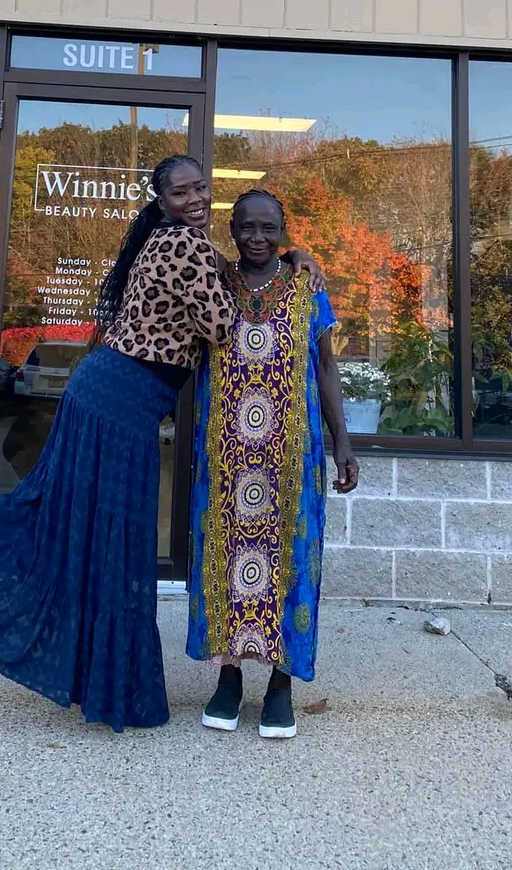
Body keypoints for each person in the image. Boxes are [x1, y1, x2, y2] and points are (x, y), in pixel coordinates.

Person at [0, 154, 316, 734]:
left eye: (201, 188)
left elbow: (223, 281)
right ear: (161, 199)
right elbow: (229, 327)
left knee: (95, 537)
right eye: (181, 193)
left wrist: (292, 255)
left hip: (107, 396)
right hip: (118, 406)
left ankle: (103, 678)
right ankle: (110, 681)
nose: (195, 199)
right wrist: (289, 265)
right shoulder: (184, 246)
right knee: (113, 542)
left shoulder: (176, 242)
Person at [186, 187, 359, 739]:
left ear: (284, 232)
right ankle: (230, 678)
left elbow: (326, 369)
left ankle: (281, 683)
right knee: (225, 558)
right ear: (231, 231)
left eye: (268, 229)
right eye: (246, 228)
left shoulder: (308, 285)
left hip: (291, 457)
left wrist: (343, 442)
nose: (256, 238)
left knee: (292, 560)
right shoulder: (212, 282)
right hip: (226, 457)